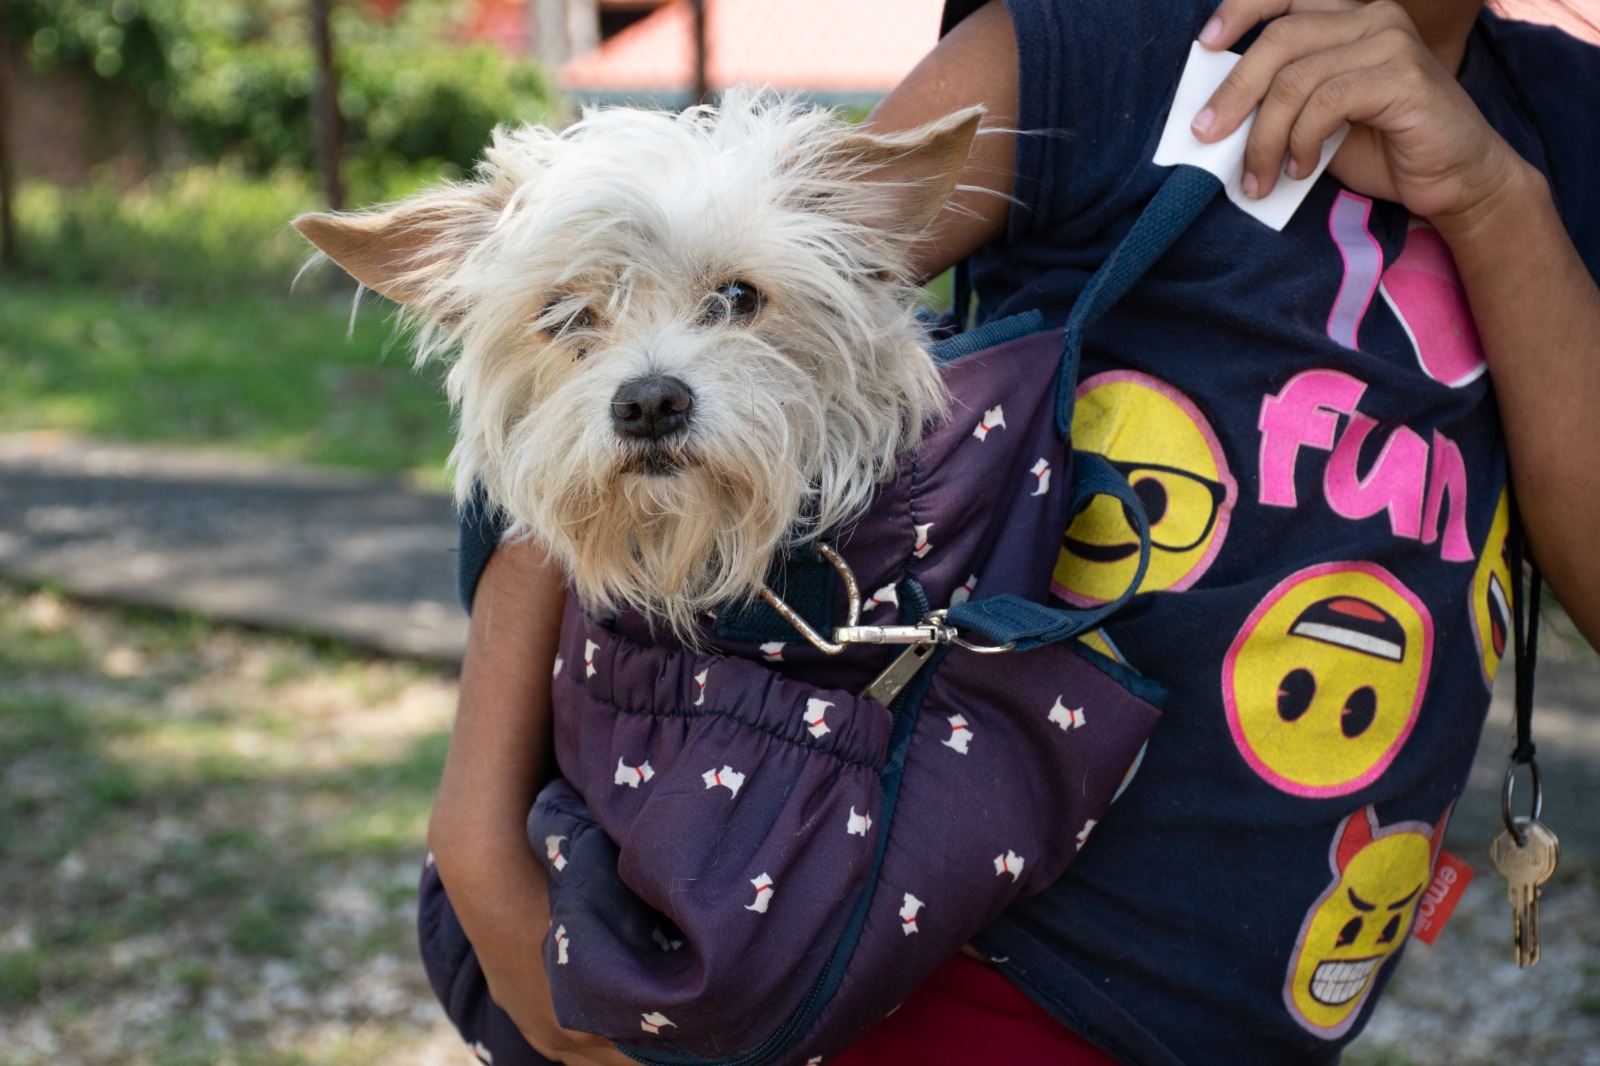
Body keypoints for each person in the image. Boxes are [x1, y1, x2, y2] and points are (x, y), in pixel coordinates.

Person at [423, 0, 1600, 1062]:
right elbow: (618, 349)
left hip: (1268, 996)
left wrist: (1494, 200)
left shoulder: (1564, 122)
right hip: (958, 942)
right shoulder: (1102, 47)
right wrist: (477, 839)